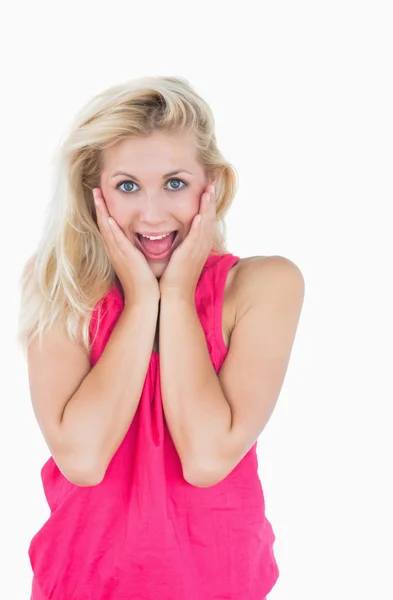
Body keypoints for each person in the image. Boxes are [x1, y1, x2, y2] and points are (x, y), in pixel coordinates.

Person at [17, 75, 304, 600]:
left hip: (219, 583)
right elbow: (81, 461)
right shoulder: (58, 282)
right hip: (81, 582)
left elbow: (206, 458)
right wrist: (141, 300)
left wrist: (176, 295)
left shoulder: (264, 285)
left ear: (211, 184)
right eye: (128, 186)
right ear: (95, 192)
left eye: (175, 183)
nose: (152, 215)